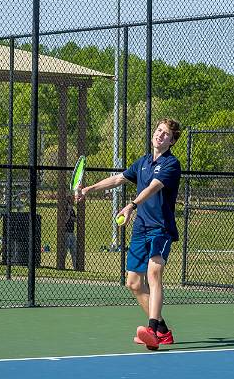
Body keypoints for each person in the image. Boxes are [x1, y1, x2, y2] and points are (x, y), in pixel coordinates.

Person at [76, 118, 182, 350]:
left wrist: (131, 205)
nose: (159, 135)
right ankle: (162, 331)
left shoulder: (171, 164)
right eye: (158, 131)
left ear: (171, 141)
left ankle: (152, 328)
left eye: (165, 134)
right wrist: (88, 189)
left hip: (160, 229)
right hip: (140, 229)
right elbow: (118, 179)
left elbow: (153, 187)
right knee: (134, 284)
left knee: (154, 273)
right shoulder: (142, 162)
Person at [63, 195, 78, 268]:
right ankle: (62, 266)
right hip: (66, 232)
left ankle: (75, 267)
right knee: (65, 250)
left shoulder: (72, 209)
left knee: (74, 251)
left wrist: (73, 217)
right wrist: (68, 211)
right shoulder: (65, 209)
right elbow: (65, 220)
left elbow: (75, 219)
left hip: (72, 232)